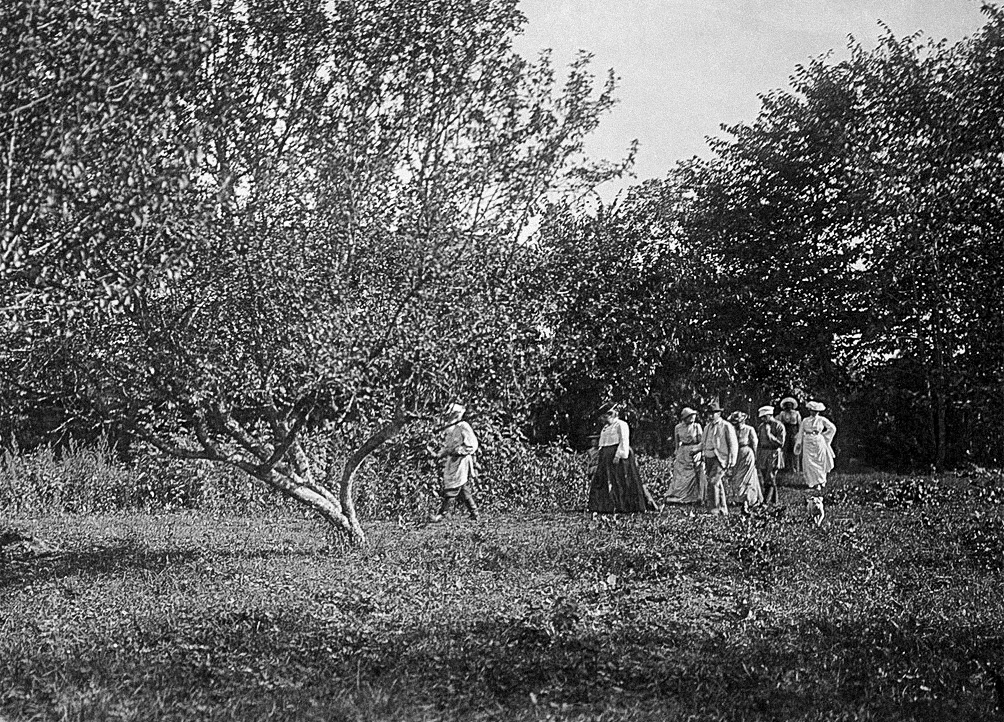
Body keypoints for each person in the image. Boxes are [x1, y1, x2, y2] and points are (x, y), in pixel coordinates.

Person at [587, 403, 659, 513]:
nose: (603, 419)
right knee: (604, 480)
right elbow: (602, 443)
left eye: (605, 416)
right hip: (606, 457)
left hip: (617, 455)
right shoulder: (605, 428)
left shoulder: (621, 424)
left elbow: (624, 440)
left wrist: (618, 455)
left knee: (621, 479)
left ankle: (625, 505)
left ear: (611, 415)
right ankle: (606, 506)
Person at [428, 403, 480, 522]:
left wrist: (458, 451)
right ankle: (474, 513)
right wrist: (440, 454)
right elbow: (448, 446)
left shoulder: (463, 426)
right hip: (453, 460)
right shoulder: (450, 428)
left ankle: (443, 514)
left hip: (461, 461)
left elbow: (472, 445)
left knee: (453, 486)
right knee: (462, 488)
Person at [794, 400, 837, 524]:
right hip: (808, 442)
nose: (813, 413)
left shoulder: (822, 420)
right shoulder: (805, 421)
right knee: (808, 462)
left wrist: (824, 437)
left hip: (818, 442)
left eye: (816, 411)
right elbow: (801, 432)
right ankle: (811, 482)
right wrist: (798, 443)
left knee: (819, 462)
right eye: (812, 411)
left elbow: (832, 428)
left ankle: (820, 481)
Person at [701, 402, 737, 516]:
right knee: (717, 483)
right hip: (709, 456)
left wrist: (732, 459)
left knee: (713, 482)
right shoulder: (707, 427)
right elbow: (704, 442)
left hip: (721, 457)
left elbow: (733, 444)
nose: (711, 416)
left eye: (714, 413)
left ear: (719, 413)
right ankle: (723, 509)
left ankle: (714, 509)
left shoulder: (726, 426)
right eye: (709, 414)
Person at [664, 407, 704, 504]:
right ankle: (679, 494)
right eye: (690, 416)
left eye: (694, 416)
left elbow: (702, 442)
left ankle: (693, 496)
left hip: (694, 450)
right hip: (682, 452)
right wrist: (677, 454)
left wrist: (699, 453)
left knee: (694, 472)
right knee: (680, 474)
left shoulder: (696, 426)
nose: (693, 418)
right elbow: (677, 444)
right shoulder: (678, 427)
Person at [728, 411, 762, 514]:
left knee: (747, 477)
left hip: (747, 453)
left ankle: (749, 499)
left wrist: (755, 457)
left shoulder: (749, 429)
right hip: (736, 455)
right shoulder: (732, 430)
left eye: (738, 422)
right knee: (736, 476)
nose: (737, 424)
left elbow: (755, 443)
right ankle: (739, 498)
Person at [755, 405, 786, 505]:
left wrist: (770, 436)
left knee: (771, 476)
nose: (763, 419)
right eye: (762, 418)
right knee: (765, 478)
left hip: (774, 453)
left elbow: (781, 443)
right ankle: (774, 501)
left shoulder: (779, 426)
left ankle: (766, 500)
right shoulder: (761, 427)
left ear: (770, 415)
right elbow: (759, 442)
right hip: (763, 454)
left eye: (764, 417)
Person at [778, 398, 802, 477]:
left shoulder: (796, 413)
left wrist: (798, 434)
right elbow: (780, 424)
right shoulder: (782, 413)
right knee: (786, 450)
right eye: (787, 404)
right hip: (786, 432)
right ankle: (788, 468)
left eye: (790, 404)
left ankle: (796, 468)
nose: (789, 406)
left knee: (795, 450)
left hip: (794, 432)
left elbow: (799, 425)